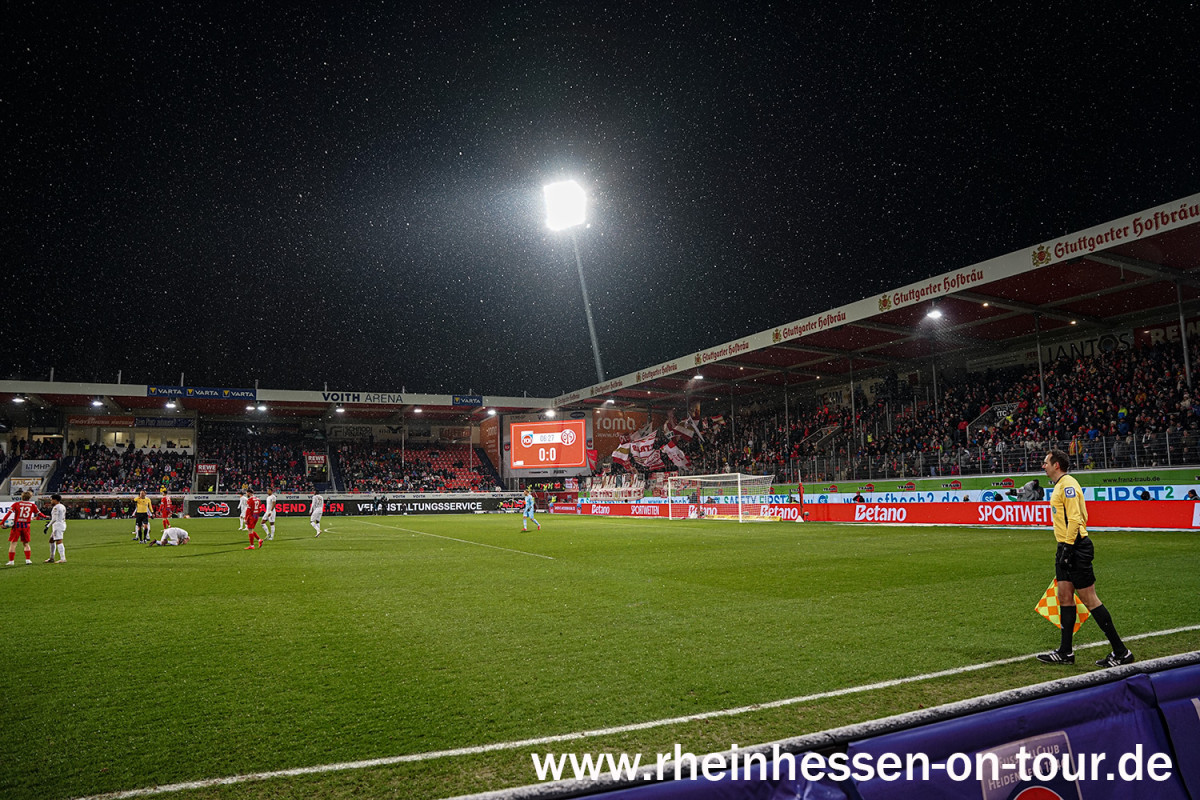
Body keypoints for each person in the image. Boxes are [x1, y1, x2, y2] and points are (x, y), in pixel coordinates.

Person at [1036, 449, 1133, 668]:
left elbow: (1076, 519)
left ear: (1056, 465)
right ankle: (1065, 652)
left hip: (1076, 547)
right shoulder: (1060, 485)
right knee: (1064, 597)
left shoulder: (1068, 485)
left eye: (1046, 463)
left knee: (1090, 599)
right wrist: (1063, 549)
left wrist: (1068, 549)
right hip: (1066, 547)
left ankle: (1121, 651)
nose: (1044, 466)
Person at [4, 491, 47, 566]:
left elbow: (8, 514)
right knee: (26, 543)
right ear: (30, 497)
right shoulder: (32, 505)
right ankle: (28, 560)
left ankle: (11, 561)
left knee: (13, 544)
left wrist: (2, 523)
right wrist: (46, 516)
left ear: (22, 496)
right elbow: (39, 514)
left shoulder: (16, 504)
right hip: (26, 526)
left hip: (17, 525)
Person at [46, 493, 66, 563]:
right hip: (61, 524)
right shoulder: (62, 506)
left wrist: (48, 525)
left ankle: (63, 558)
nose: (51, 502)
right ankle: (51, 558)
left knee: (59, 541)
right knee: (51, 540)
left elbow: (54, 518)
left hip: (58, 525)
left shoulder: (56, 507)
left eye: (51, 500)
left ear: (55, 500)